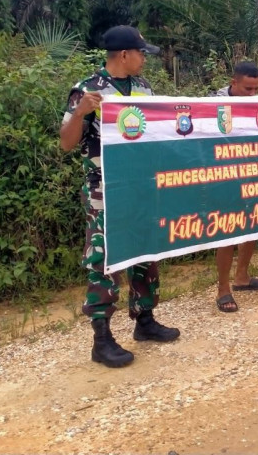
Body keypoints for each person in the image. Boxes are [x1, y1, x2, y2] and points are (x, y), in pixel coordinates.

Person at [60, 25, 180, 368]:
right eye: (142, 53)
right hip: (106, 189)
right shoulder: (87, 90)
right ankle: (102, 339)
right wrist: (81, 112)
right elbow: (66, 143)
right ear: (124, 55)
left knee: (145, 248)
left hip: (142, 184)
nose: (145, 59)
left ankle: (145, 320)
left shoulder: (143, 87)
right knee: (105, 256)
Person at [208, 62, 258, 312]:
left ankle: (242, 276)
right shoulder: (212, 104)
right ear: (233, 83)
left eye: (257, 88)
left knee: (253, 222)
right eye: (248, 88)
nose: (253, 93)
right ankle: (223, 289)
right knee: (228, 228)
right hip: (225, 173)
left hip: (253, 170)